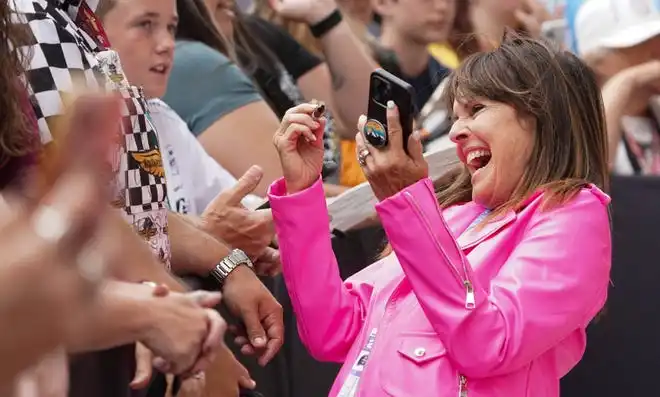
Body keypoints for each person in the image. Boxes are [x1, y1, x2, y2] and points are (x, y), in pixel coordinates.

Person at [268, 35, 611, 396]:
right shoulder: (452, 215)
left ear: (545, 117)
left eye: (476, 109)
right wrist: (302, 192)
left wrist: (406, 202)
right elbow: (331, 330)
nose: (455, 132)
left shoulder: (573, 212)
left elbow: (489, 343)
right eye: (455, 116)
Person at [574, 0, 660, 175]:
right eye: (640, 43)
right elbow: (594, 179)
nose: (655, 50)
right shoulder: (579, 124)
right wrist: (627, 80)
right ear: (599, 62)